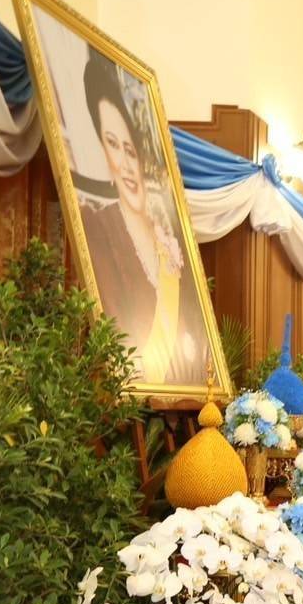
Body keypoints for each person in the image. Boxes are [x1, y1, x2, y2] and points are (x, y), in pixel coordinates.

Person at [77, 48, 207, 388]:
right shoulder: (97, 228)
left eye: (130, 149)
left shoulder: (170, 240)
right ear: (102, 153)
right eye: (112, 144)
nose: (125, 163)